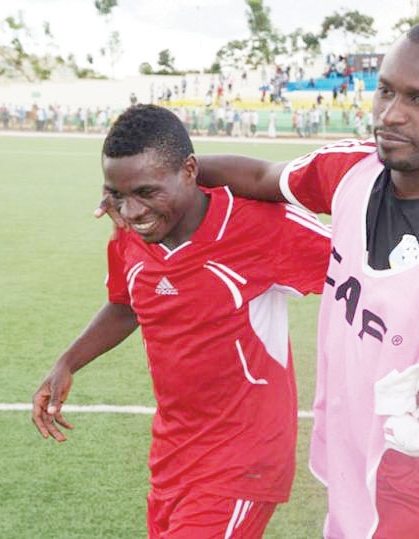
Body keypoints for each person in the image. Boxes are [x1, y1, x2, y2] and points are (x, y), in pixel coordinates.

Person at [151, 19, 419, 539]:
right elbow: (266, 179)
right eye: (385, 90)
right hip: (360, 485)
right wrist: (165, 181)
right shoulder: (356, 169)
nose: (390, 115)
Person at [33, 105, 331, 537]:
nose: (131, 211)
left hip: (243, 459)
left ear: (190, 170)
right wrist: (67, 362)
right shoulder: (131, 233)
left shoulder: (260, 227)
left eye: (147, 192)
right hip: (173, 454)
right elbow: (127, 304)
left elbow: (365, 270)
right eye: (117, 194)